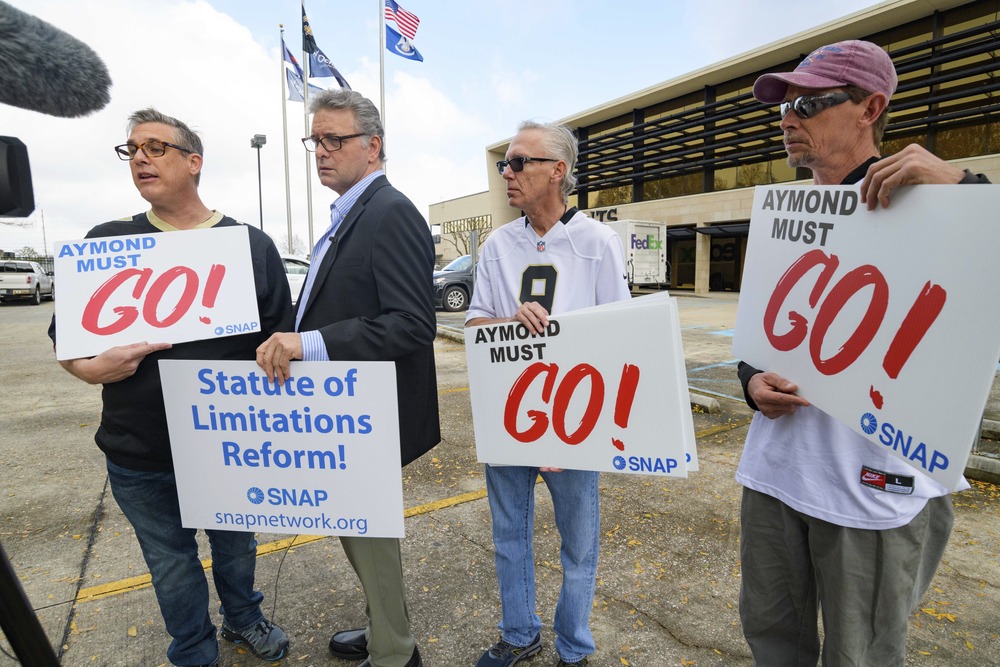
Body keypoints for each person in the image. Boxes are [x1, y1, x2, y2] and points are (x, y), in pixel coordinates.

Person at [737, 40, 990, 666]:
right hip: (776, 473)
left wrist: (968, 186)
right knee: (772, 641)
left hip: (876, 490)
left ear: (870, 107)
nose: (790, 118)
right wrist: (748, 382)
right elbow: (759, 338)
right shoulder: (785, 216)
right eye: (784, 108)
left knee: (862, 656)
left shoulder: (939, 206)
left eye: (809, 103)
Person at [49, 108, 292, 667]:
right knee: (171, 562)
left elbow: (282, 342)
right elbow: (67, 341)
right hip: (140, 452)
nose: (139, 158)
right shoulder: (106, 245)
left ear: (193, 162)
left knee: (236, 551)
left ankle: (244, 619)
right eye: (131, 149)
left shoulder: (249, 246)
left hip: (229, 446)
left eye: (156, 147)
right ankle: (193, 648)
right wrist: (88, 369)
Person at [255, 89, 439, 667]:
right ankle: (381, 626)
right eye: (316, 140)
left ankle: (394, 652)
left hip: (369, 415)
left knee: (370, 538)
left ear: (373, 146)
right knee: (354, 532)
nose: (320, 151)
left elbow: (413, 324)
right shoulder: (348, 214)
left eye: (335, 140)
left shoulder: (391, 211)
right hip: (342, 413)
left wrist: (308, 343)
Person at [465, 121, 631, 667]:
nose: (507, 173)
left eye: (519, 163)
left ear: (557, 171)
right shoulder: (496, 245)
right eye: (504, 164)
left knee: (578, 545)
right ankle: (519, 633)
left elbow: (621, 334)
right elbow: (471, 327)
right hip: (510, 414)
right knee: (509, 536)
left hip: (573, 420)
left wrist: (578, 429)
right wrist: (505, 322)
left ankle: (574, 648)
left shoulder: (597, 243)